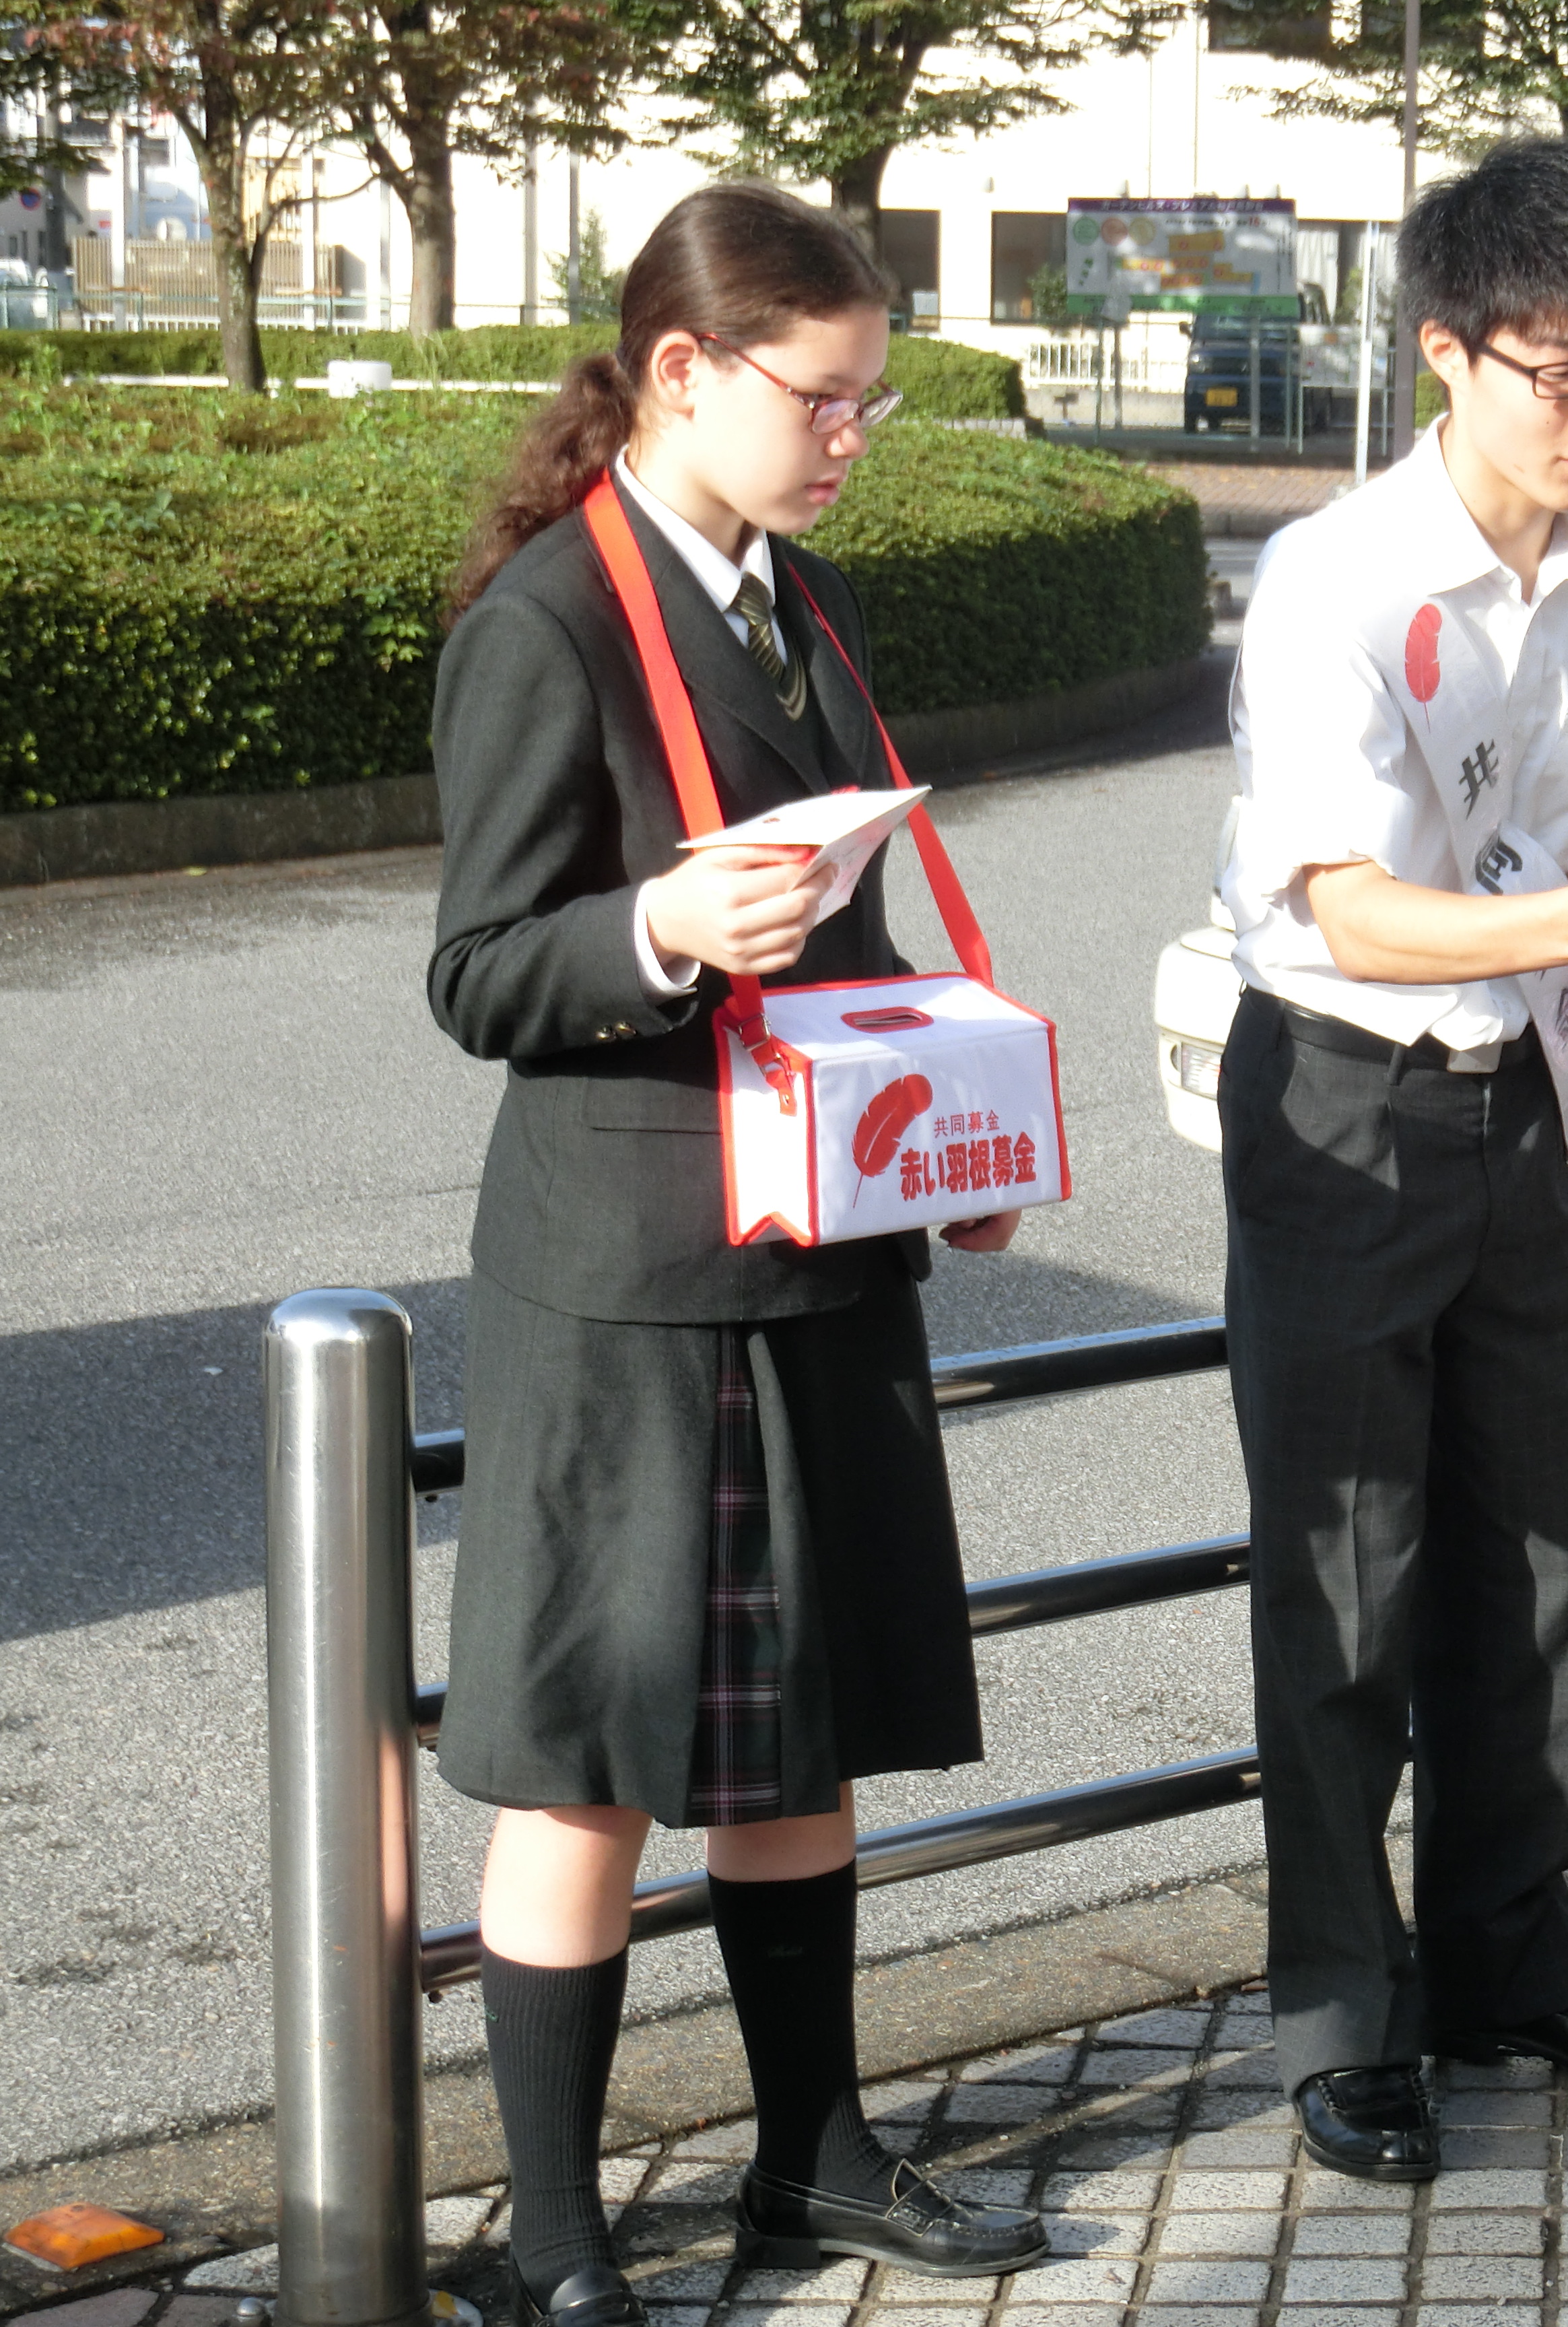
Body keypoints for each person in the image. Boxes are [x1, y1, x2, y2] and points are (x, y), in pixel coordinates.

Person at [428, 182, 1048, 2322]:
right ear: (683, 374)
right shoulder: (550, 623)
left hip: (818, 1231)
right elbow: (482, 971)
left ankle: (814, 2159)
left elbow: (853, 941)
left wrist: (943, 1131)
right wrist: (659, 928)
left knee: (806, 1735)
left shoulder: (808, 597)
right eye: (826, 398)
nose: (855, 436)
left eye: (873, 399)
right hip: (630, 1276)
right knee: (592, 1767)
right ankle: (557, 2238)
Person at [1215, 137, 1568, 2187]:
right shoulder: (1335, 579)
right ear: (1445, 351)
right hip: (1340, 1095)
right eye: (1558, 371)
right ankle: (1348, 2017)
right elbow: (1345, 910)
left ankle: (1513, 1963)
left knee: (1532, 1556)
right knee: (1347, 1576)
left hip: (1522, 1091)